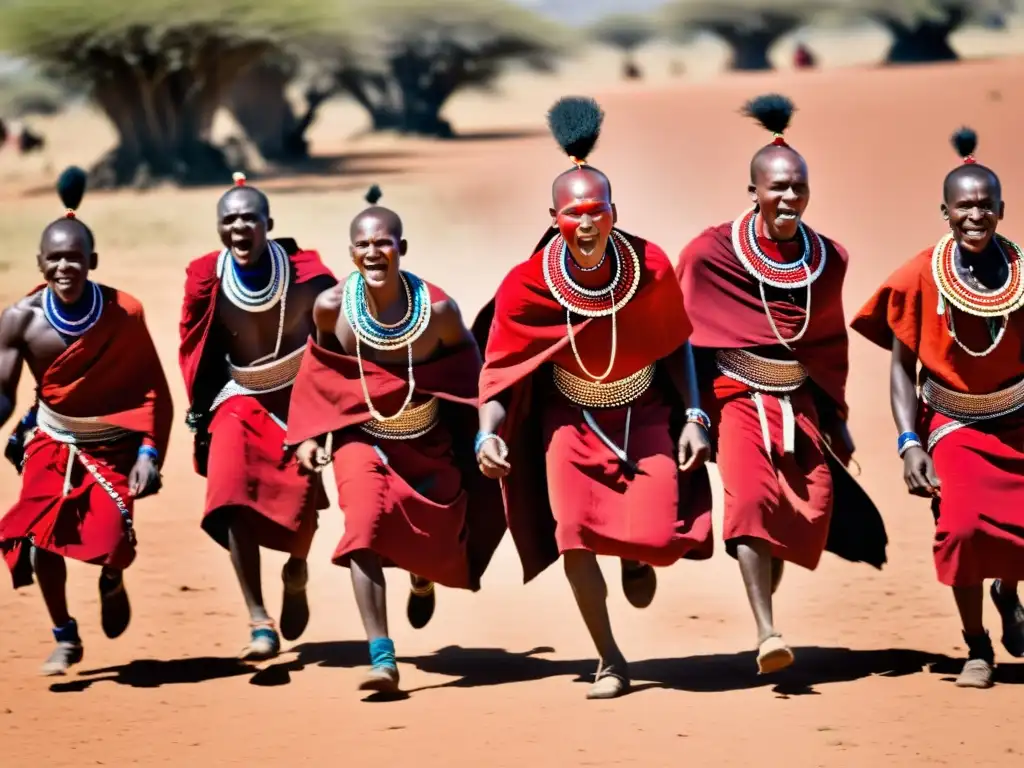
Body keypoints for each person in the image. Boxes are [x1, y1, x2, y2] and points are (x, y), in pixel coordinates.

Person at [474, 96, 714, 700]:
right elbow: (500, 373)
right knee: (574, 530)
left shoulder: (649, 265)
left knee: (660, 541)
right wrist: (488, 433)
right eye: (573, 213)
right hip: (568, 421)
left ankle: (634, 554)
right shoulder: (526, 285)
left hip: (645, 413)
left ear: (613, 212)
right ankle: (610, 659)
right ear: (553, 216)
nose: (586, 223)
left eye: (597, 211)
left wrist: (691, 412)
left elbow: (675, 342)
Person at [676, 94, 886, 675]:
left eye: (798, 187)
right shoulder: (709, 254)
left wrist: (836, 417)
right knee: (749, 502)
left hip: (799, 402)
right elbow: (684, 338)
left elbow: (825, 344)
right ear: (754, 191)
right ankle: (767, 630)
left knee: (805, 509)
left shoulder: (828, 259)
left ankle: (768, 608)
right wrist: (693, 417)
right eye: (777, 188)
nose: (789, 197)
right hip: (734, 396)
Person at [286, 186, 505, 695]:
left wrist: (483, 437)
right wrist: (311, 435)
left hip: (426, 437)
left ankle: (421, 576)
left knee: (435, 540)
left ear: (401, 248)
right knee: (361, 528)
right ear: (350, 252)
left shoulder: (438, 310)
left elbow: (476, 378)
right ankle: (381, 655)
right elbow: (321, 375)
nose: (372, 253)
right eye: (362, 245)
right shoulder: (331, 308)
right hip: (362, 438)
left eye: (383, 243)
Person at [851, 128, 1024, 689]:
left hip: (1018, 419)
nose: (975, 215)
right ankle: (976, 645)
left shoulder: (1022, 273)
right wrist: (909, 443)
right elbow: (902, 368)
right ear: (945, 211)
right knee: (962, 529)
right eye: (963, 205)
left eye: (984, 205)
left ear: (1001, 208)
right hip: (953, 423)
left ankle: (1007, 592)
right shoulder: (920, 275)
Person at [0, 167, 173, 675]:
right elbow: (4, 392)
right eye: (53, 258)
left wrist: (148, 452)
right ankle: (65, 636)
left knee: (115, 545)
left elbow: (152, 390)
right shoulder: (20, 319)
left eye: (74, 258)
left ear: (92, 262)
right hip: (51, 439)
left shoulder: (125, 313)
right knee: (38, 539)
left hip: (113, 445)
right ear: (39, 263)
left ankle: (113, 578)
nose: (64, 267)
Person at [178, 172, 336, 660]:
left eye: (250, 218)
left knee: (301, 501)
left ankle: (296, 570)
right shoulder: (207, 278)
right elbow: (193, 342)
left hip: (299, 396)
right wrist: (201, 410)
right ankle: (258, 618)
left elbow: (333, 342)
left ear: (269, 223)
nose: (240, 227)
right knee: (229, 495)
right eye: (229, 220)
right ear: (219, 228)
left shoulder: (308, 276)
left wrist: (329, 411)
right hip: (237, 395)